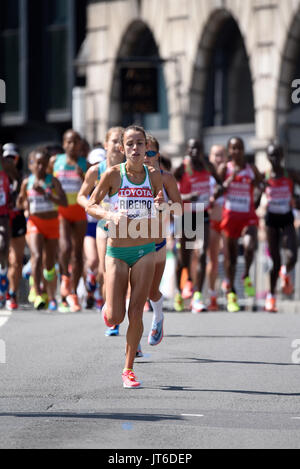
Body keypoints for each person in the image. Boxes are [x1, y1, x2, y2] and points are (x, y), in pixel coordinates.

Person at [87, 125, 164, 388]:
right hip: (117, 252)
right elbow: (91, 204)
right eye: (129, 144)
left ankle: (128, 369)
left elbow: (164, 209)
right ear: (121, 148)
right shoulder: (112, 174)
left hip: (145, 249)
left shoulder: (154, 177)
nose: (135, 148)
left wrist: (161, 207)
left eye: (139, 143)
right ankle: (108, 311)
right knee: (117, 316)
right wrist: (110, 215)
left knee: (136, 313)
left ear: (146, 148)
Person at [77, 127, 124, 322]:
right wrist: (94, 208)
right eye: (114, 141)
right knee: (106, 273)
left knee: (126, 275)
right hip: (103, 224)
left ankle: (123, 312)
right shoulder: (96, 170)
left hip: (129, 227)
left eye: (122, 141)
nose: (118, 145)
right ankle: (110, 314)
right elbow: (81, 196)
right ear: (105, 145)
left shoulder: (132, 170)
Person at [174, 138, 221, 313]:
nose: (194, 151)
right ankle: (180, 291)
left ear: (202, 150)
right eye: (191, 148)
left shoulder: (208, 167)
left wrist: (216, 193)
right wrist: (187, 197)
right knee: (183, 259)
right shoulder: (182, 168)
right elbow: (171, 191)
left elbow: (221, 184)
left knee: (201, 254)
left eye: (198, 148)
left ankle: (198, 297)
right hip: (186, 216)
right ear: (187, 149)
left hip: (202, 215)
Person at [144, 135, 182, 346]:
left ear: (157, 155)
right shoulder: (128, 177)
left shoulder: (166, 178)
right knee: (135, 292)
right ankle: (134, 344)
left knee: (151, 290)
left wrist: (163, 206)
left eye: (151, 153)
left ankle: (158, 316)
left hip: (158, 243)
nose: (146, 157)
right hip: (133, 241)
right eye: (143, 152)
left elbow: (178, 209)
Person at [17, 148, 67, 310]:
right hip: (35, 223)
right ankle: (37, 291)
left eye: (43, 164)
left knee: (49, 263)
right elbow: (21, 203)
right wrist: (23, 203)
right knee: (37, 256)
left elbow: (64, 202)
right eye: (37, 163)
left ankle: (49, 293)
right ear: (31, 165)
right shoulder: (27, 182)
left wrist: (47, 193)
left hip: (52, 223)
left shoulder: (53, 181)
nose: (40, 167)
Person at [218, 137, 264, 313]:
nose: (236, 151)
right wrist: (227, 183)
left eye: (239, 148)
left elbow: (262, 184)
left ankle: (246, 276)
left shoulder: (251, 169)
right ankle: (232, 294)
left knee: (250, 246)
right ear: (229, 151)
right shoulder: (225, 168)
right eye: (233, 148)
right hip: (229, 218)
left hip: (248, 216)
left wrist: (258, 198)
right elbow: (217, 189)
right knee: (231, 260)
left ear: (244, 150)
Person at [48, 130, 89, 313]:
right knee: (64, 248)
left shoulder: (84, 164)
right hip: (62, 211)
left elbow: (93, 188)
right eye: (69, 142)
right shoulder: (55, 161)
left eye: (75, 142)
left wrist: (83, 177)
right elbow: (47, 180)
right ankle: (65, 277)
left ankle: (73, 291)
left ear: (80, 144)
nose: (72, 145)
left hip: (79, 211)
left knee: (78, 254)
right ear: (64, 144)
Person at [263, 143, 300, 312]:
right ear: (267, 157)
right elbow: (255, 199)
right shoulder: (265, 176)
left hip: (286, 218)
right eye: (271, 155)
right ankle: (271, 297)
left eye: (277, 155)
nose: (275, 159)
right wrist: (259, 190)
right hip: (271, 220)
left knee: (292, 256)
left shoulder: (290, 174)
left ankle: (285, 272)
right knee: (275, 261)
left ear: (282, 156)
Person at [2, 143, 26, 310]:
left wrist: (15, 191)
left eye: (13, 157)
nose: (10, 160)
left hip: (16, 218)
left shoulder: (20, 175)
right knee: (2, 251)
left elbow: (25, 199)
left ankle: (12, 293)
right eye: (7, 156)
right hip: (2, 217)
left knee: (16, 260)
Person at [206, 144, 228, 311]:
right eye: (215, 155)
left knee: (229, 257)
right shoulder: (207, 176)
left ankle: (227, 288)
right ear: (210, 157)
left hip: (228, 221)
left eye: (221, 155)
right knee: (212, 260)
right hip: (211, 221)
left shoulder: (231, 173)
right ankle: (212, 294)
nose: (218, 159)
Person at [0, 147, 14, 308]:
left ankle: (2, 278)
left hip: (3, 213)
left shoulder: (6, 165)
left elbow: (16, 179)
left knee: (3, 246)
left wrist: (13, 193)